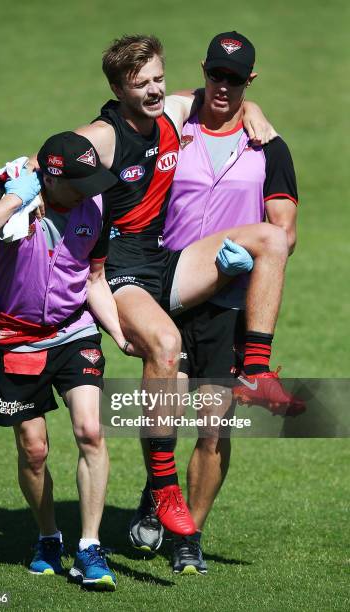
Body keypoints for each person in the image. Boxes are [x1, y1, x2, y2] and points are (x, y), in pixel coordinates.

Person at [71, 34, 302, 539]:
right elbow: (86, 144)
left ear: (249, 81)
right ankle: (159, 491)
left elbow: (284, 232)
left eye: (236, 79)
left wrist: (255, 112)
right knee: (167, 383)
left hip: (209, 286)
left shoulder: (266, 144)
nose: (224, 85)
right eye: (217, 75)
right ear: (203, 72)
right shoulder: (169, 121)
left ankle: (189, 535)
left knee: (214, 427)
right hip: (146, 269)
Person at [0, 131, 134, 591]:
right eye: (81, 181)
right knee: (34, 451)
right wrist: (14, 202)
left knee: (91, 431)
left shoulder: (97, 202)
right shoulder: (11, 194)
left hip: (73, 330)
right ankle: (48, 537)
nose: (93, 189)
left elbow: (93, 278)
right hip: (16, 338)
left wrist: (119, 333)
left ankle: (90, 548)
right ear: (50, 178)